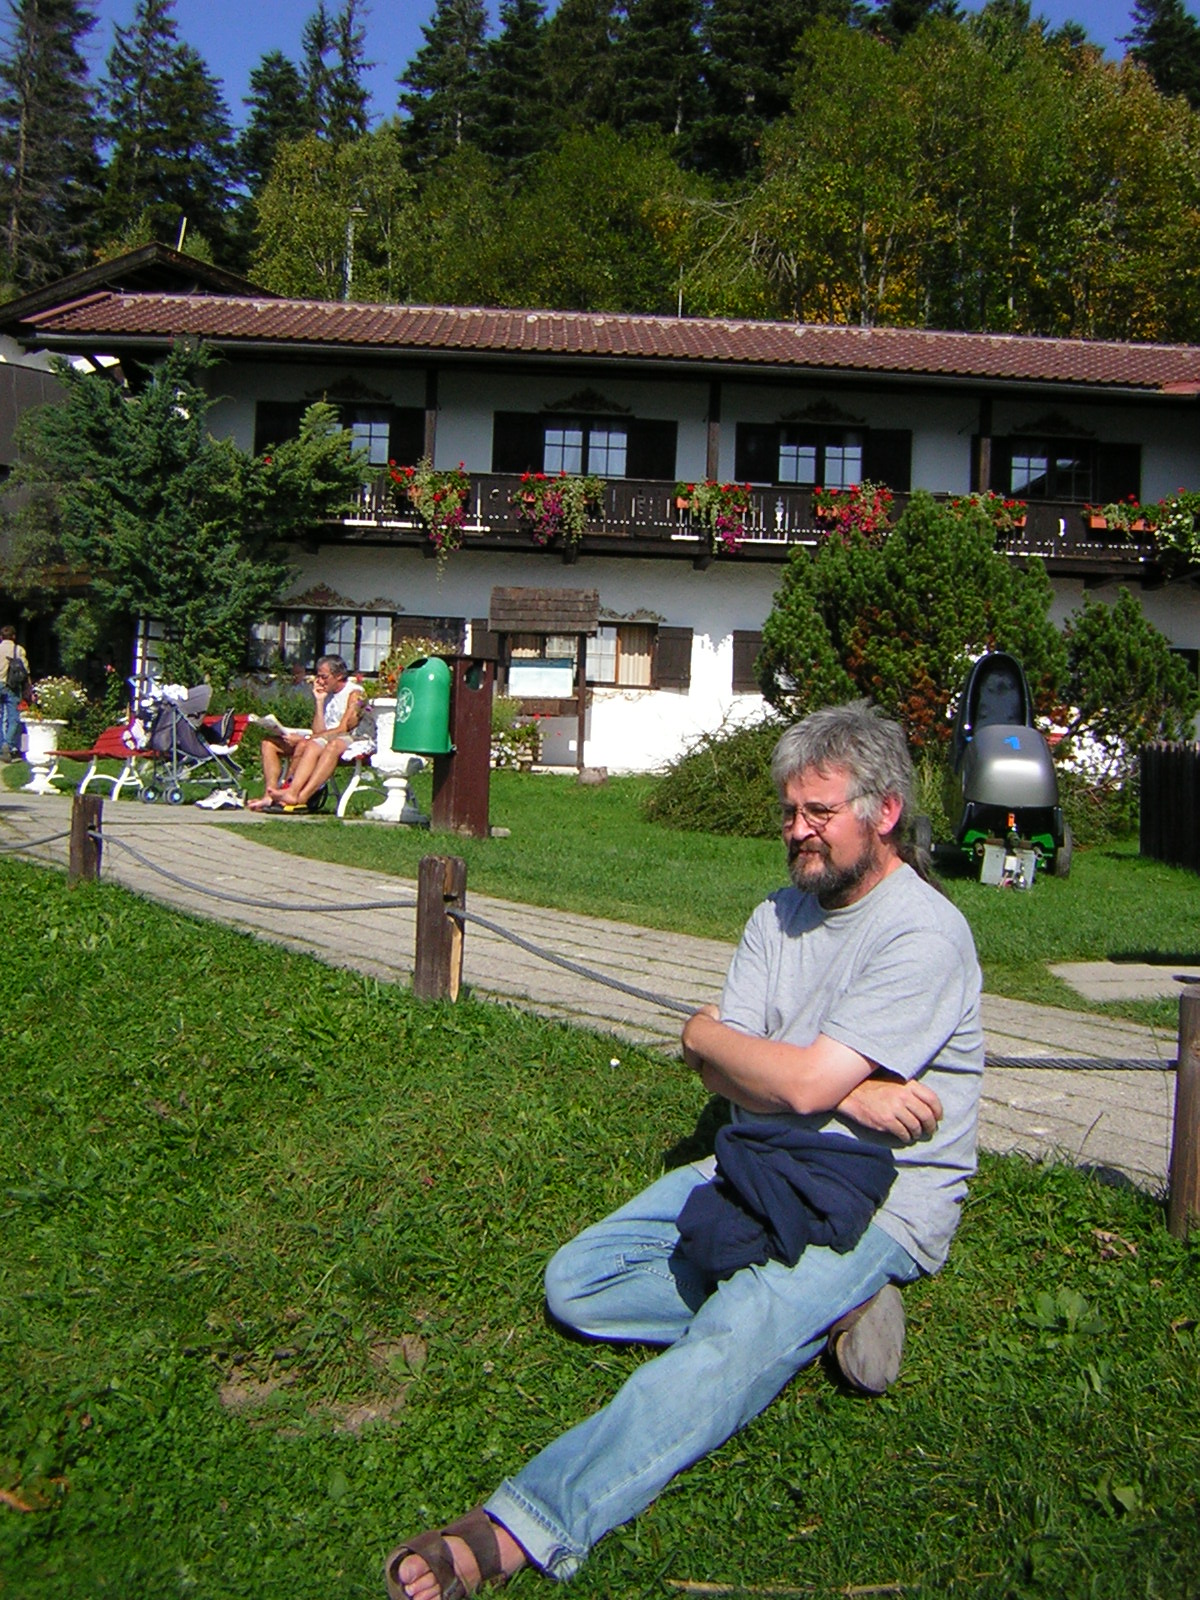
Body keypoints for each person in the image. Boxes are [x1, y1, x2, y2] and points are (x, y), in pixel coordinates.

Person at [385, 700, 984, 1600]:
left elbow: (754, 1066)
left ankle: (515, 1529)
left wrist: (735, 1050)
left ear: (885, 811)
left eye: (819, 812)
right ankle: (823, 1312)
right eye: (790, 812)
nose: (798, 830)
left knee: (732, 1341)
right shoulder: (776, 915)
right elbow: (727, 1072)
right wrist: (836, 1085)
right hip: (756, 1156)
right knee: (577, 1283)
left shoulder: (922, 932)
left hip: (874, 1199)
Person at [247, 653, 374, 811]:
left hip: (350, 739)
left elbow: (343, 729)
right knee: (269, 744)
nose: (319, 681)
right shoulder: (327, 694)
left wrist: (307, 738)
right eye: (318, 676)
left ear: (339, 676)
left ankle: (295, 793)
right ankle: (269, 795)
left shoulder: (354, 693)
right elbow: (319, 731)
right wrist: (319, 701)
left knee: (308, 744)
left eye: (324, 677)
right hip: (325, 739)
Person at [0, 626, 31, 761]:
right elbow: (25, 670)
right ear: (14, 636)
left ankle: (2, 745)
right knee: (14, 717)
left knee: (1, 716)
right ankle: (8, 744)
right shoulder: (18, 650)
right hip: (10, 686)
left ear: (1, 637)